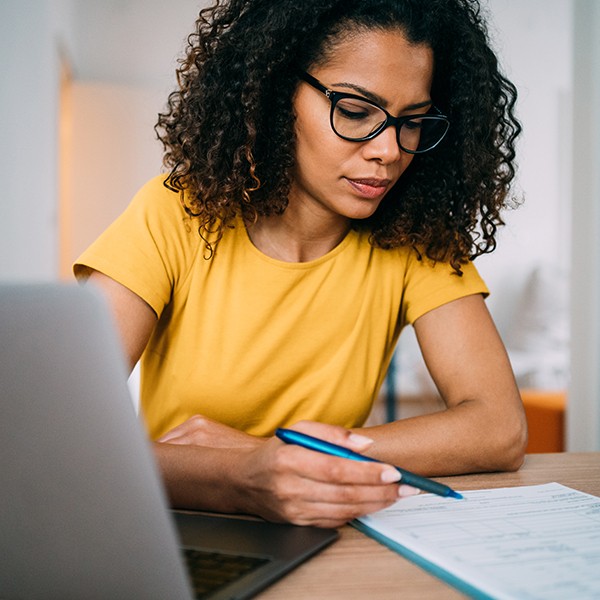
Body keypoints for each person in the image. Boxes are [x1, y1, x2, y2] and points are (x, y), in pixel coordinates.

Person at [74, 0, 527, 528]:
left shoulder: (416, 239)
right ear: (273, 92)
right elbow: (68, 437)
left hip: (324, 531)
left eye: (412, 122)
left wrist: (268, 455)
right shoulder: (173, 213)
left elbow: (500, 428)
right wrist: (243, 478)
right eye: (356, 111)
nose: (389, 151)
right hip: (175, 532)